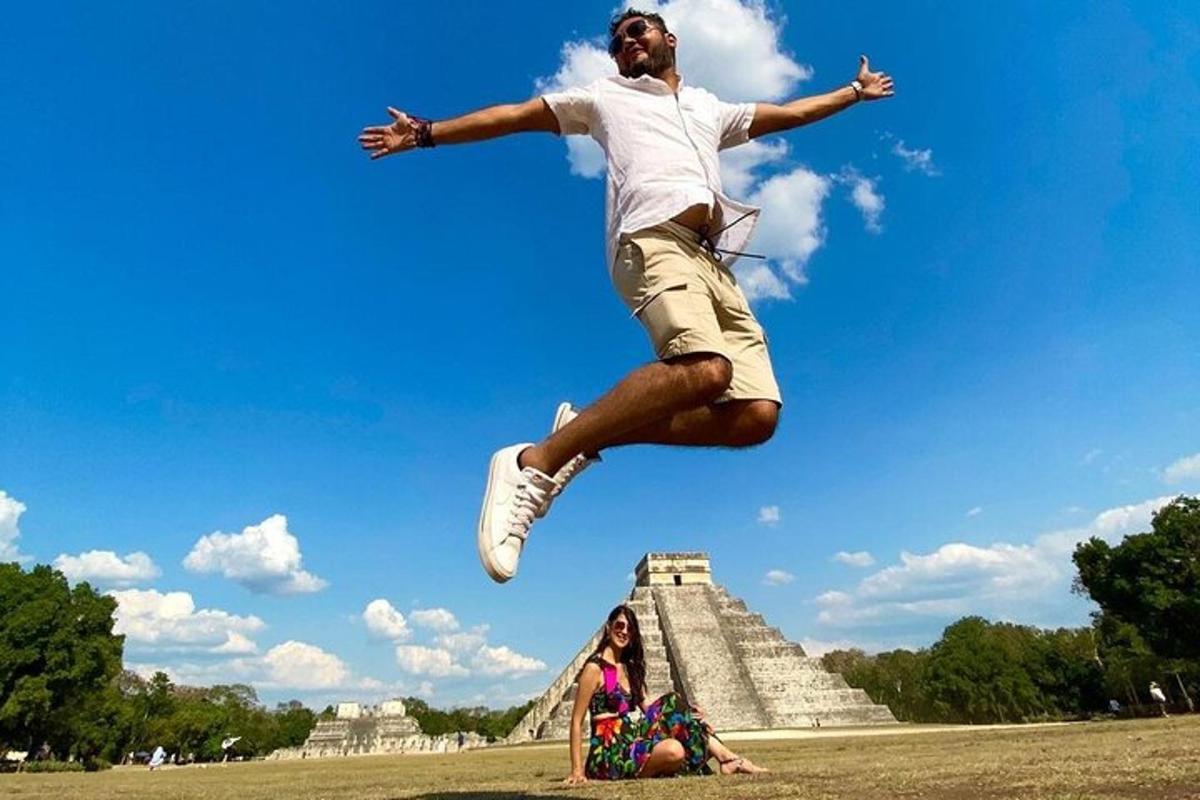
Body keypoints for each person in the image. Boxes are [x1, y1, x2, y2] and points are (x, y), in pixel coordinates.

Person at [358, 9, 895, 583]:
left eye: (637, 31)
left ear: (669, 39)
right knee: (706, 370)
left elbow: (787, 113)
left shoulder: (710, 108)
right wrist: (425, 132)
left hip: (711, 261)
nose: (626, 42)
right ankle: (534, 462)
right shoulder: (604, 97)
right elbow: (515, 115)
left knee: (755, 416)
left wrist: (853, 94)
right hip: (651, 239)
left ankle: (579, 434)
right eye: (616, 40)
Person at [563, 604, 766, 783]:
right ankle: (729, 761)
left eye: (630, 629)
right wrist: (577, 770)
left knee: (674, 705)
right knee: (674, 751)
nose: (624, 632)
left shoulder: (627, 668)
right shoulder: (596, 667)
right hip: (608, 752)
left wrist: (690, 719)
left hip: (631, 741)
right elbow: (576, 720)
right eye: (619, 625)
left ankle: (729, 760)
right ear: (608, 628)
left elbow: (652, 711)